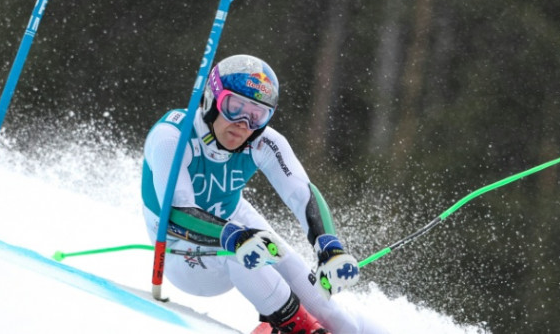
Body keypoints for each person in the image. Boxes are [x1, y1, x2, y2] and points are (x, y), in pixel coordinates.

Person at [142, 54, 388, 334]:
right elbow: (175, 214)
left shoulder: (263, 141)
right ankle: (298, 328)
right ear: (212, 98)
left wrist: (328, 245)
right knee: (240, 254)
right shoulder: (172, 137)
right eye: (234, 107)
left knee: (327, 306)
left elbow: (302, 193)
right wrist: (232, 236)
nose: (244, 123)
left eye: (257, 114)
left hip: (236, 225)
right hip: (180, 251)